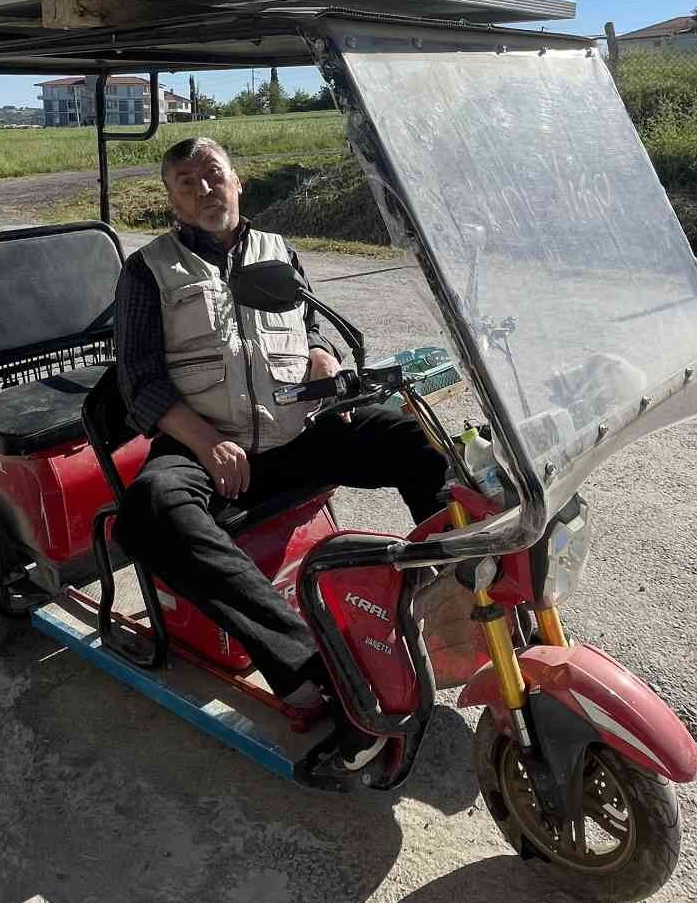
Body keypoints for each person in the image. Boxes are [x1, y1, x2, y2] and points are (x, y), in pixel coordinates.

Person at [115, 135, 449, 772]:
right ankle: (311, 671)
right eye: (184, 182)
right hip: (208, 444)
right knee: (150, 506)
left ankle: (454, 588)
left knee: (413, 437)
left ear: (237, 181)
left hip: (295, 433)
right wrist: (204, 440)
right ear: (171, 199)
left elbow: (306, 324)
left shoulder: (277, 252)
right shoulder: (148, 270)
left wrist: (320, 353)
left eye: (211, 174)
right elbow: (139, 379)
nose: (201, 190)